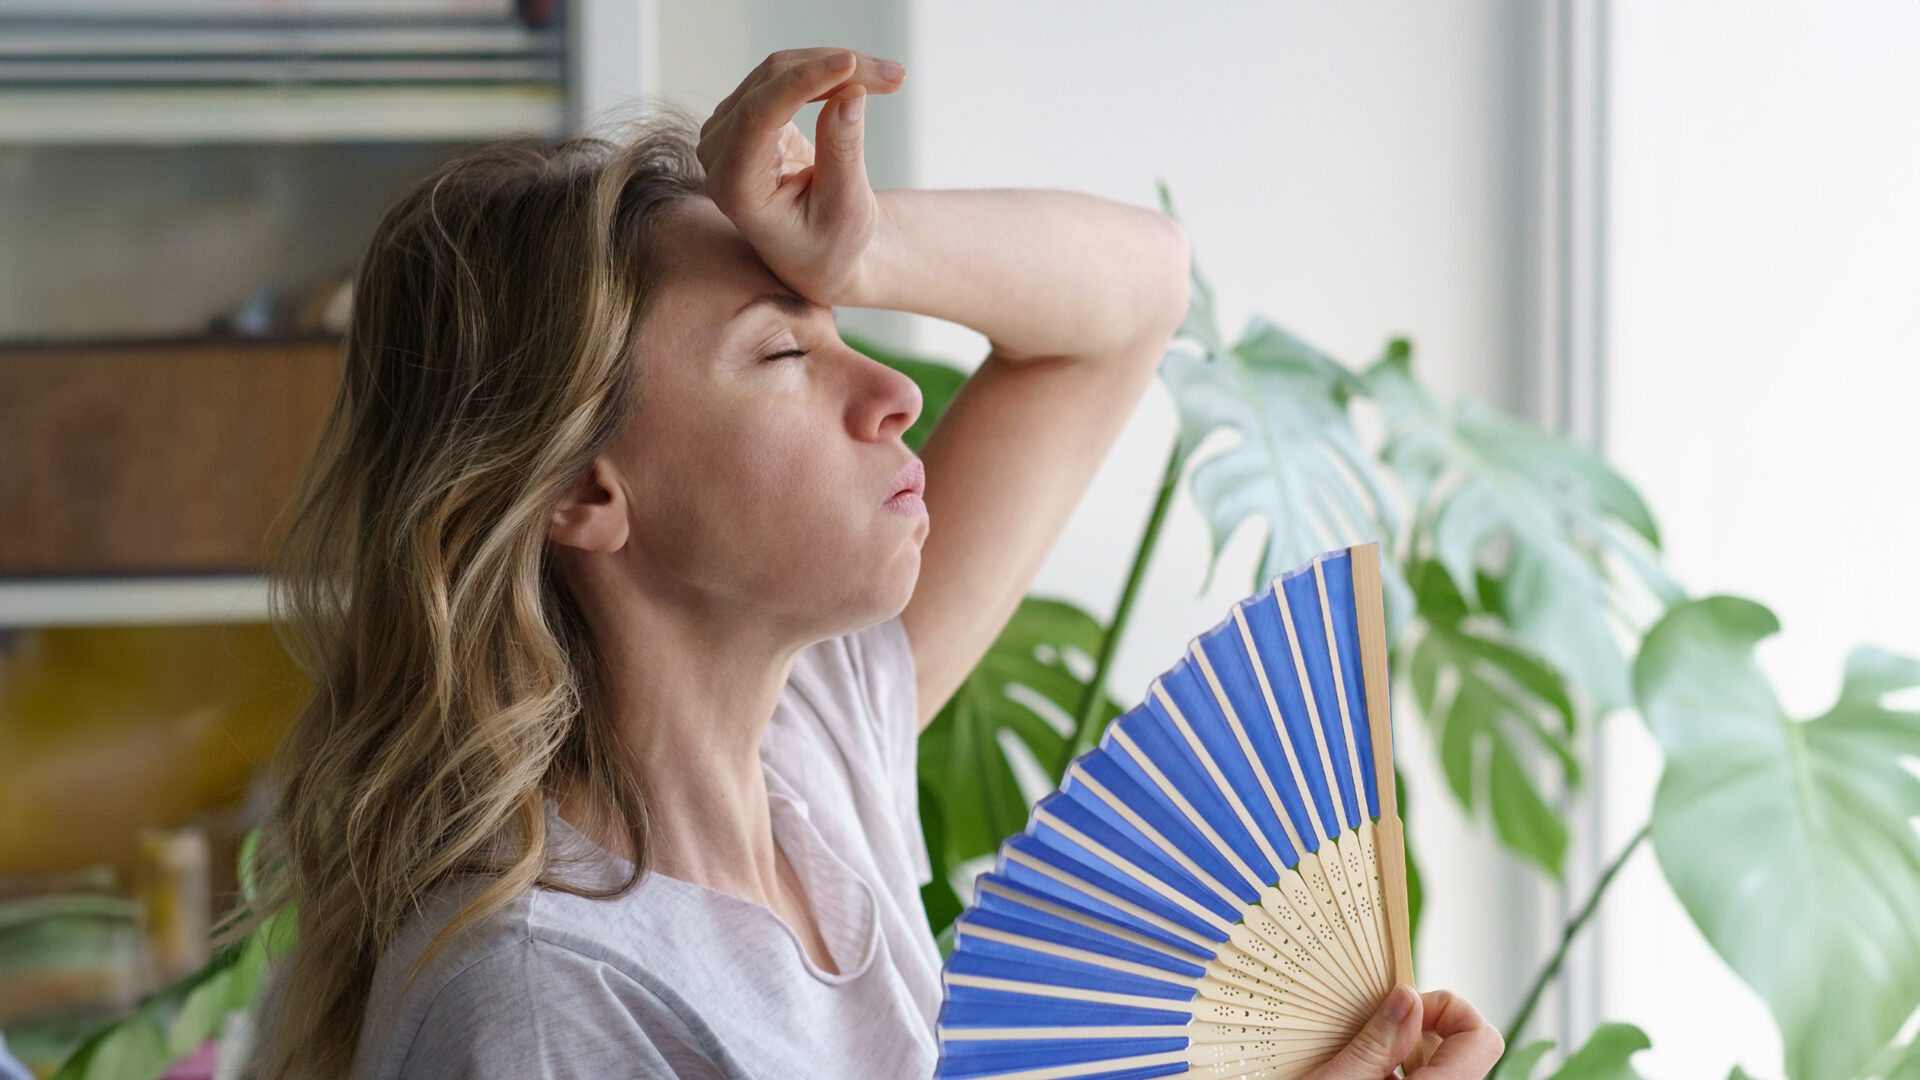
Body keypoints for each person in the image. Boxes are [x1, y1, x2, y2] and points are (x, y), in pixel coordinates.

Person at [233, 45, 1503, 1080]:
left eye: (842, 329)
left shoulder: (815, 749)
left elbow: (1136, 296)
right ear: (584, 490)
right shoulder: (548, 1004)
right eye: (784, 355)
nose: (894, 390)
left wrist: (858, 249)